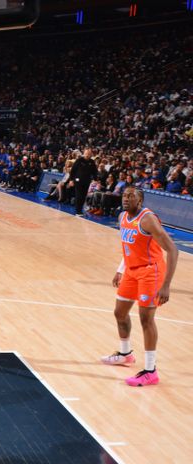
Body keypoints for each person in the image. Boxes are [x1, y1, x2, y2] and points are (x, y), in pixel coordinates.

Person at [100, 187, 178, 386]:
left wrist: (166, 285)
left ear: (140, 200)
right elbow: (129, 247)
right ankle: (126, 354)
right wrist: (121, 269)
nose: (126, 199)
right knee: (119, 313)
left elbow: (173, 250)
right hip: (132, 271)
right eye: (125, 195)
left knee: (146, 319)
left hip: (151, 271)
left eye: (131, 196)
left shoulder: (147, 219)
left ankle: (151, 371)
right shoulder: (122, 217)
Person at [70, 148, 98, 216]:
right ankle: (78, 211)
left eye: (89, 154)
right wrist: (71, 180)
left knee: (83, 196)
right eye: (86, 153)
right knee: (79, 195)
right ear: (84, 153)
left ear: (91, 154)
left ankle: (80, 210)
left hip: (86, 181)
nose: (87, 155)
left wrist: (95, 179)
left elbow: (94, 172)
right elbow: (73, 171)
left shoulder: (92, 162)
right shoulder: (79, 160)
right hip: (78, 181)